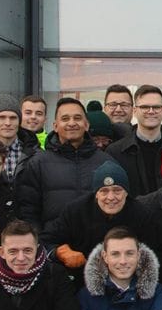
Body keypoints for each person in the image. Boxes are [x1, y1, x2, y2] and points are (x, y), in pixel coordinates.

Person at [43, 159, 154, 271]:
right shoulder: (75, 211)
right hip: (82, 278)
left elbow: (153, 252)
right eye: (104, 191)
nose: (111, 197)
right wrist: (60, 252)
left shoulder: (141, 213)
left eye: (117, 190)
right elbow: (46, 241)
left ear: (126, 193)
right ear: (96, 194)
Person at [14, 96, 104, 228]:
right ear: (55, 126)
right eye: (65, 119)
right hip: (52, 244)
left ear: (86, 125)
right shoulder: (38, 163)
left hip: (97, 246)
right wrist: (44, 245)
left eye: (77, 118)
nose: (72, 123)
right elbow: (28, 212)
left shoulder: (105, 163)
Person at [111, 84, 162, 196]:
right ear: (135, 111)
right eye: (145, 107)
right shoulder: (115, 152)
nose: (151, 111)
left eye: (156, 107)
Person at [0, 96, 36, 180]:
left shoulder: (35, 154)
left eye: (13, 118)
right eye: (1, 118)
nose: (8, 123)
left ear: (19, 122)